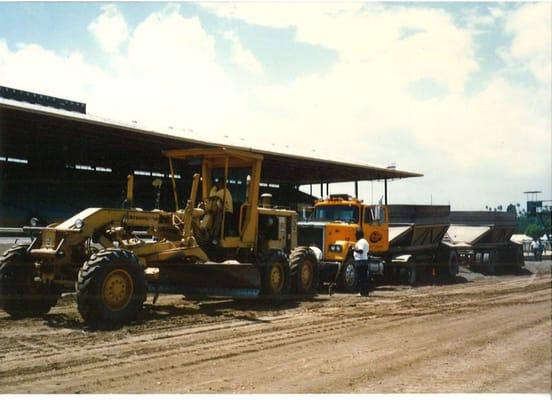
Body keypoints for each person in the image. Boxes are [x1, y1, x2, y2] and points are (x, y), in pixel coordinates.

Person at [352, 229, 370, 296]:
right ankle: (365, 292)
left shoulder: (361, 242)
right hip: (364, 261)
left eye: (356, 234)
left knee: (360, 278)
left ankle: (362, 292)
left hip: (360, 261)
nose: (355, 236)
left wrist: (353, 249)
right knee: (364, 278)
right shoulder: (365, 241)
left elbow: (361, 251)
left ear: (358, 235)